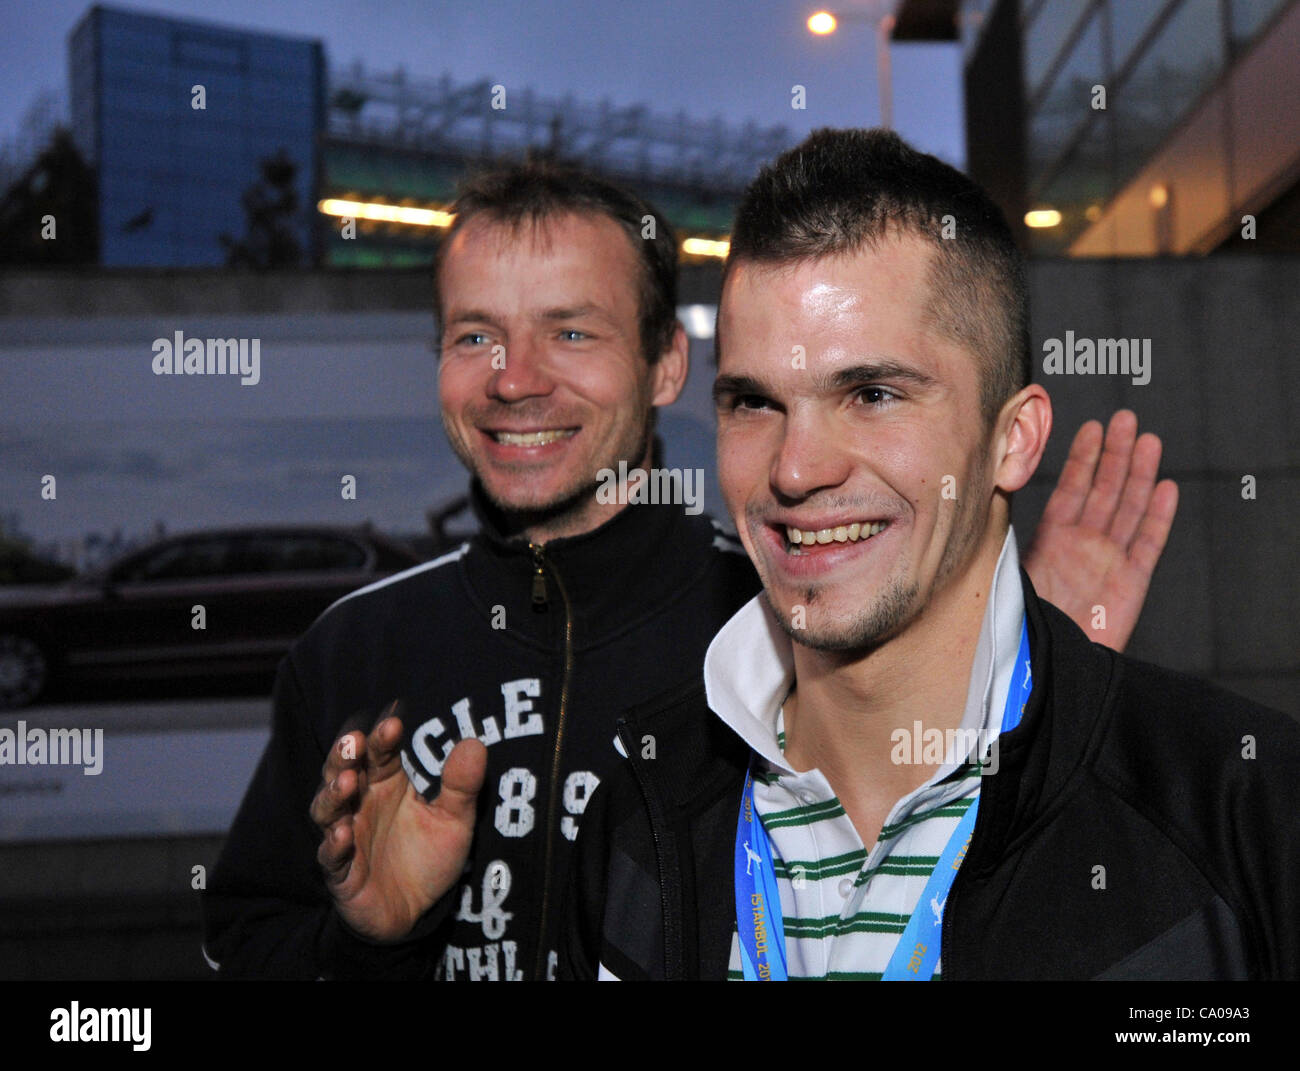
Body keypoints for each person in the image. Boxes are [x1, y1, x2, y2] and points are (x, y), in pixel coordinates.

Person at [200, 155, 1177, 981]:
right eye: (475, 336)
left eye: (570, 330)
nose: (514, 377)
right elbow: (240, 945)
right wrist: (367, 941)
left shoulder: (791, 624)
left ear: (669, 364)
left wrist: (1013, 689)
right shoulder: (351, 650)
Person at [559, 128, 1299, 981]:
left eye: (872, 394)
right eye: (755, 401)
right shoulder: (636, 821)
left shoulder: (1243, 812)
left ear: (1013, 439)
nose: (796, 468)